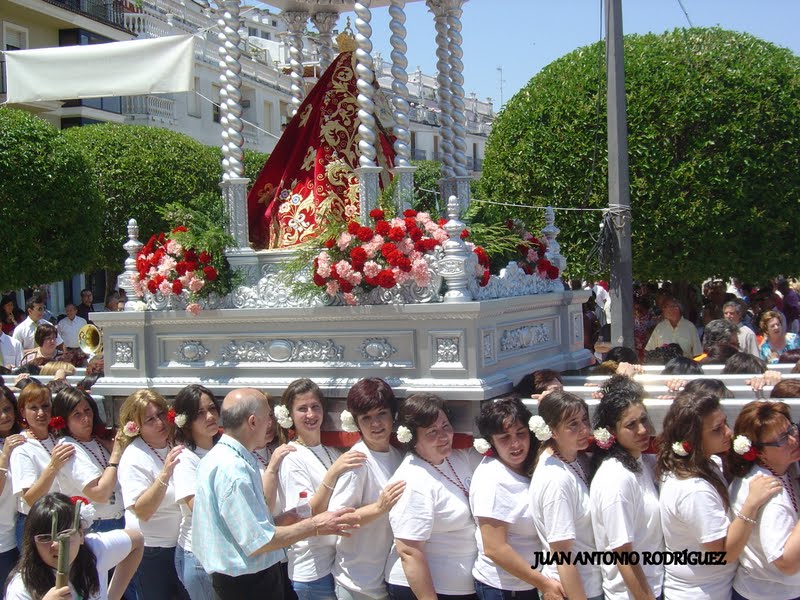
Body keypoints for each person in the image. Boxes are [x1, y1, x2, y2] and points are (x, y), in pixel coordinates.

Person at [192, 387, 360, 600]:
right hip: (248, 584)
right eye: (267, 417)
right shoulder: (233, 469)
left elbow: (240, 527)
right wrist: (316, 525)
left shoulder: (223, 458)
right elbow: (257, 542)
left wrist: (280, 520)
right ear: (253, 422)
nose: (270, 424)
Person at [656, 391, 779, 600]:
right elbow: (723, 555)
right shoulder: (693, 490)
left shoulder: (706, 464)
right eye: (717, 430)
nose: (729, 432)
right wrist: (751, 503)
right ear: (692, 439)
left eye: (725, 423)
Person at [385, 392, 481, 600]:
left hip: (459, 588)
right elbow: (409, 552)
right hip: (427, 592)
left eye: (446, 426)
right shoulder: (412, 481)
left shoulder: (456, 458)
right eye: (432, 432)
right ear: (413, 438)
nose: (444, 436)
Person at [276, 378, 367, 600]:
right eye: (302, 409)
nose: (310, 414)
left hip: (335, 564)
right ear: (290, 415)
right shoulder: (291, 457)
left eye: (315, 407)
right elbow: (303, 514)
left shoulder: (331, 453)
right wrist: (333, 473)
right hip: (311, 571)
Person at [470, 397, 563, 600]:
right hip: (504, 589)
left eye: (521, 434)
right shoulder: (493, 480)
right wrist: (545, 584)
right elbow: (495, 548)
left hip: (526, 584)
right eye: (504, 437)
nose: (515, 444)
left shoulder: (529, 466)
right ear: (491, 441)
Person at [328, 378, 405, 600]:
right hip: (357, 583)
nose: (375, 424)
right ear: (356, 423)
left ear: (393, 415)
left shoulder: (398, 456)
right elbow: (337, 520)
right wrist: (379, 507)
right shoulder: (357, 462)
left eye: (381, 413)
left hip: (387, 580)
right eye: (366, 418)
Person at [589, 378, 663, 600]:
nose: (643, 430)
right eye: (631, 425)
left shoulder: (640, 463)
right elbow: (623, 554)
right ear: (612, 431)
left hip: (652, 586)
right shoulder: (616, 479)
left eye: (644, 420)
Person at [528, 391, 602, 600]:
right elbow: (562, 553)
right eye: (573, 424)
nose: (584, 430)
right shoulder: (556, 480)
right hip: (575, 590)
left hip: (589, 583)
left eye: (584, 420)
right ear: (551, 430)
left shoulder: (574, 458)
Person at [117, 389, 188, 600]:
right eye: (150, 419)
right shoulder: (134, 457)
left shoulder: (174, 442)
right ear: (135, 427)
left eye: (161, 414)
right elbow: (143, 510)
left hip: (181, 545)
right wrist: (165, 474)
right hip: (152, 551)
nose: (160, 423)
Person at [5, 492, 143, 600]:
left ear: (81, 534)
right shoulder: (21, 587)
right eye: (45, 538)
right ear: (33, 543)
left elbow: (137, 541)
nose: (56, 544)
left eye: (65, 534)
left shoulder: (96, 548)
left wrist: (111, 597)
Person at [727, 401, 800, 600]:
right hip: (773, 595)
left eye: (792, 429)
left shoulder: (787, 466)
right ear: (757, 451)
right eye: (782, 439)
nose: (793, 439)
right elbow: (786, 562)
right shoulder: (769, 492)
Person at [10, 382, 75, 549]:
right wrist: (53, 467)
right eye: (33, 408)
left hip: (63, 518)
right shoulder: (22, 448)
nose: (41, 413)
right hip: (37, 523)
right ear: (23, 412)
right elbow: (30, 498)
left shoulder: (57, 437)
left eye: (45, 406)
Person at [51, 388, 125, 533]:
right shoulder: (68, 447)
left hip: (117, 520)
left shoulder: (97, 440)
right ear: (64, 420)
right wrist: (116, 453)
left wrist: (112, 449)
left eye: (87, 410)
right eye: (77, 414)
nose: (86, 418)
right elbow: (99, 493)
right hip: (94, 526)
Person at [171, 384, 221, 600]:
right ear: (186, 421)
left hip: (222, 552)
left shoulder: (224, 449)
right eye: (200, 413)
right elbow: (197, 507)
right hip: (198, 555)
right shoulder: (185, 458)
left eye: (212, 409)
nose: (210, 416)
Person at [0, 385, 26, 590]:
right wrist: (5, 455)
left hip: (22, 534)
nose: (3, 415)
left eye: (7, 408)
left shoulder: (24, 438)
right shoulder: (8, 447)